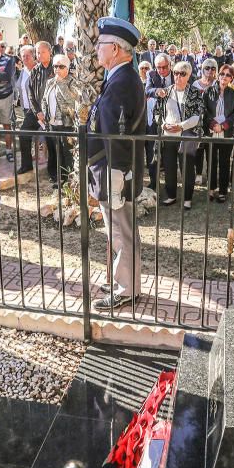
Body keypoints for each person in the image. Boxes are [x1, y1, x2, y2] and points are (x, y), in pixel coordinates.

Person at [87, 17, 145, 311]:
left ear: (118, 49)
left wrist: (119, 174)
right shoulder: (119, 78)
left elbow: (118, 135)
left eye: (102, 44)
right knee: (119, 231)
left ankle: (127, 289)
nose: (97, 49)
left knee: (121, 232)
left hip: (115, 170)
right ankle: (125, 280)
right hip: (111, 169)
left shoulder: (123, 82)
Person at [155, 61, 205, 209]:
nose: (178, 76)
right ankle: (171, 195)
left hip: (186, 134)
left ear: (188, 75)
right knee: (169, 166)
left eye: (182, 74)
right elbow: (156, 113)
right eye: (176, 73)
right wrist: (163, 124)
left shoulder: (195, 93)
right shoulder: (166, 91)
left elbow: (198, 116)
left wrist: (180, 126)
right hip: (168, 134)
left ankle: (187, 198)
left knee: (187, 166)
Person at [203, 63, 234, 202]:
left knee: (225, 162)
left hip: (226, 132)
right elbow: (204, 111)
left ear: (232, 78)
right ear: (218, 75)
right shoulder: (208, 91)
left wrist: (223, 126)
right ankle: (211, 189)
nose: (224, 77)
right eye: (222, 74)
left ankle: (223, 191)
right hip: (211, 131)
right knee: (211, 161)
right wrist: (213, 124)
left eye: (228, 75)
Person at [40, 54, 79, 185]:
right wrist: (45, 114)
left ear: (67, 68)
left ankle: (69, 179)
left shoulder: (72, 82)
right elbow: (44, 99)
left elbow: (71, 101)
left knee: (67, 153)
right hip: (51, 123)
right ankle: (56, 177)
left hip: (66, 124)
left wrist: (61, 82)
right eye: (55, 66)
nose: (57, 69)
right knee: (54, 151)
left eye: (61, 66)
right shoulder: (50, 82)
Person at [26, 41, 56, 176]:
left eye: (43, 52)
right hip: (37, 112)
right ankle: (26, 166)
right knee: (23, 133)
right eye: (38, 52)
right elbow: (30, 93)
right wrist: (37, 111)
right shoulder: (35, 71)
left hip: (53, 112)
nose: (40, 55)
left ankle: (53, 173)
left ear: (50, 52)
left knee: (52, 142)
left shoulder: (56, 68)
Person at [144, 53, 172, 189]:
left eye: (164, 67)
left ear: (170, 65)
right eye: (158, 67)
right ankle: (154, 182)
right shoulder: (151, 74)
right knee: (152, 151)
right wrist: (157, 91)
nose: (161, 70)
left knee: (169, 151)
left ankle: (170, 183)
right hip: (154, 118)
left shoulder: (176, 74)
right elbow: (147, 90)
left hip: (172, 117)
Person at [13, 44, 41, 175]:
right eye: (23, 56)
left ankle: (27, 165)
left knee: (24, 134)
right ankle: (27, 164)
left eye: (28, 56)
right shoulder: (22, 71)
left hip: (37, 110)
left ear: (33, 56)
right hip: (26, 109)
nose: (25, 58)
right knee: (25, 136)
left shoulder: (38, 70)